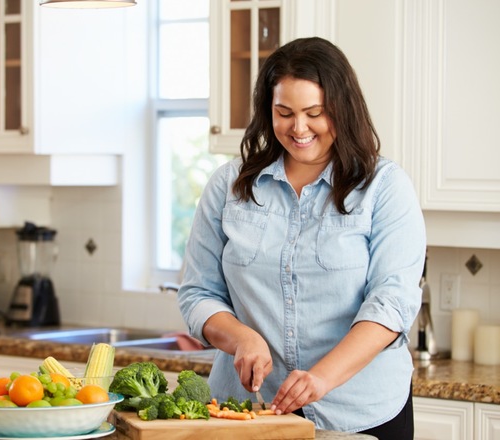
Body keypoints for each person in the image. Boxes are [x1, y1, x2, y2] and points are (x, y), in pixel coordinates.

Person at [177, 36, 425, 438]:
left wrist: (322, 378)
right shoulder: (230, 186)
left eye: (315, 113)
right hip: (249, 411)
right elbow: (197, 293)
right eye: (284, 112)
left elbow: (391, 304)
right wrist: (241, 338)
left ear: (342, 110)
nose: (299, 128)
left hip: (359, 411)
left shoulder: (385, 187)